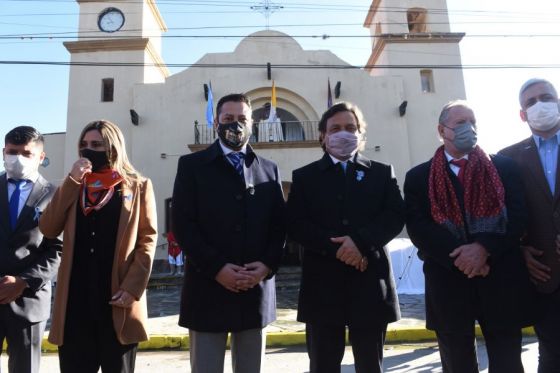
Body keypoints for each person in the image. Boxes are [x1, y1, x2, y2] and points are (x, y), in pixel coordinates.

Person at [404, 100, 532, 373]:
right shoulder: (418, 177)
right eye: (461, 122)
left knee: (508, 362)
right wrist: (463, 256)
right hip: (448, 283)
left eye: (472, 122)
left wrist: (484, 249)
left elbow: (519, 217)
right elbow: (418, 228)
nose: (468, 128)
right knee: (457, 363)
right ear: (442, 130)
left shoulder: (504, 168)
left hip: (499, 279)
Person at [287, 102, 405, 373]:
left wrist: (360, 244)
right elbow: (296, 224)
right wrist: (339, 248)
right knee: (323, 366)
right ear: (322, 136)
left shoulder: (381, 172)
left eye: (350, 128)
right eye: (335, 128)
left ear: (361, 134)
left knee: (370, 366)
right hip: (322, 289)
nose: (343, 133)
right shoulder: (304, 178)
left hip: (370, 286)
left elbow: (395, 216)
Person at [172, 93, 286, 373]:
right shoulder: (191, 167)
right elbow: (184, 225)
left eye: (242, 119)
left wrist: (266, 266)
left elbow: (279, 226)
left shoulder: (269, 170)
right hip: (207, 289)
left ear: (252, 123)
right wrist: (217, 268)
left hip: (254, 290)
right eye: (228, 119)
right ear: (216, 122)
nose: (235, 125)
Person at [39, 120, 157, 373]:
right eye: (83, 145)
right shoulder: (74, 186)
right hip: (75, 302)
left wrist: (132, 288)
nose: (88, 150)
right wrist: (71, 181)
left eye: (96, 144)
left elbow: (147, 240)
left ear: (112, 147)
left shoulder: (138, 186)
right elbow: (48, 228)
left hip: (117, 299)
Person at [499, 78, 560, 373]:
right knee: (551, 356)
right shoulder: (506, 159)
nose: (539, 104)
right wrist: (520, 250)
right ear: (522, 114)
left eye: (546, 97)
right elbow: (502, 217)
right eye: (530, 102)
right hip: (544, 275)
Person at [0, 126, 61, 373]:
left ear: (41, 157)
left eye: (26, 153)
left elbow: (58, 249)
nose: (18, 158)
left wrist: (23, 281)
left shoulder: (56, 195)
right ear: (4, 152)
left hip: (29, 301)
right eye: (12, 152)